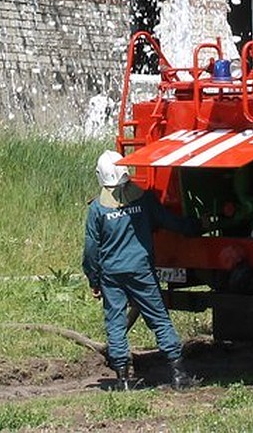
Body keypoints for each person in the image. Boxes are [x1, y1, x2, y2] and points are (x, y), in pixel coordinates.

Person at [82, 149, 199, 390]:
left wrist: (94, 279)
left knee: (115, 322)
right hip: (141, 271)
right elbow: (169, 221)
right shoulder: (143, 201)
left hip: (111, 276)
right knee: (158, 318)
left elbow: (91, 249)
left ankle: (123, 380)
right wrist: (197, 225)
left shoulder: (97, 210)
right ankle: (178, 375)